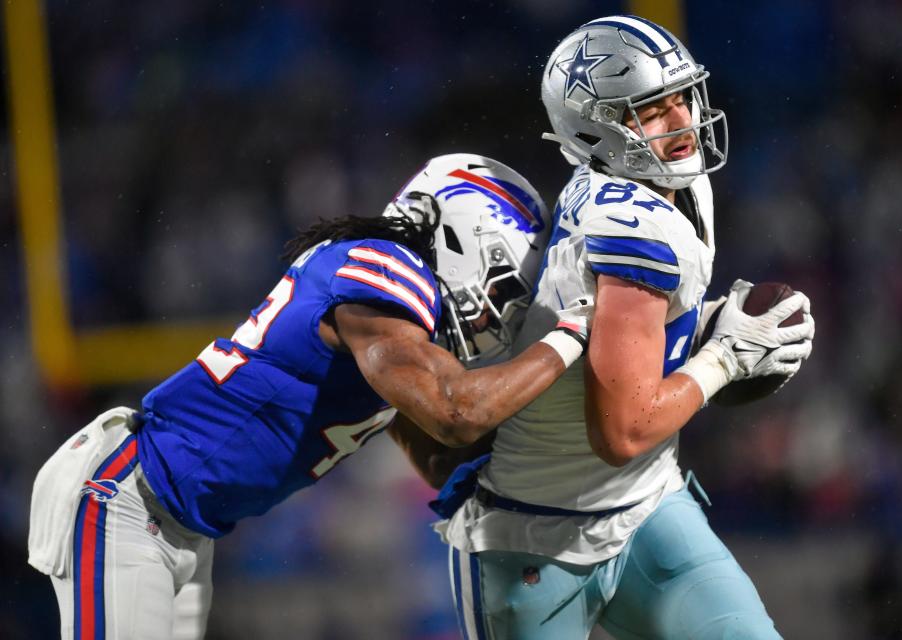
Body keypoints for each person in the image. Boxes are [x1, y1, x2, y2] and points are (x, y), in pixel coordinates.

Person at [27, 153, 593, 640]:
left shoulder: (394, 321)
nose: (506, 311)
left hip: (180, 522)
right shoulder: (388, 272)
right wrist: (574, 333)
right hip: (129, 497)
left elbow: (440, 456)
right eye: (504, 287)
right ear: (462, 236)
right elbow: (455, 412)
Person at [435, 16, 816, 640]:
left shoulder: (671, 188)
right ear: (595, 130)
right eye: (651, 111)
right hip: (533, 545)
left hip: (647, 507)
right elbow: (625, 428)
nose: (681, 122)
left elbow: (632, 347)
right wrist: (722, 358)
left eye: (681, 98)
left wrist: (701, 331)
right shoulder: (630, 228)